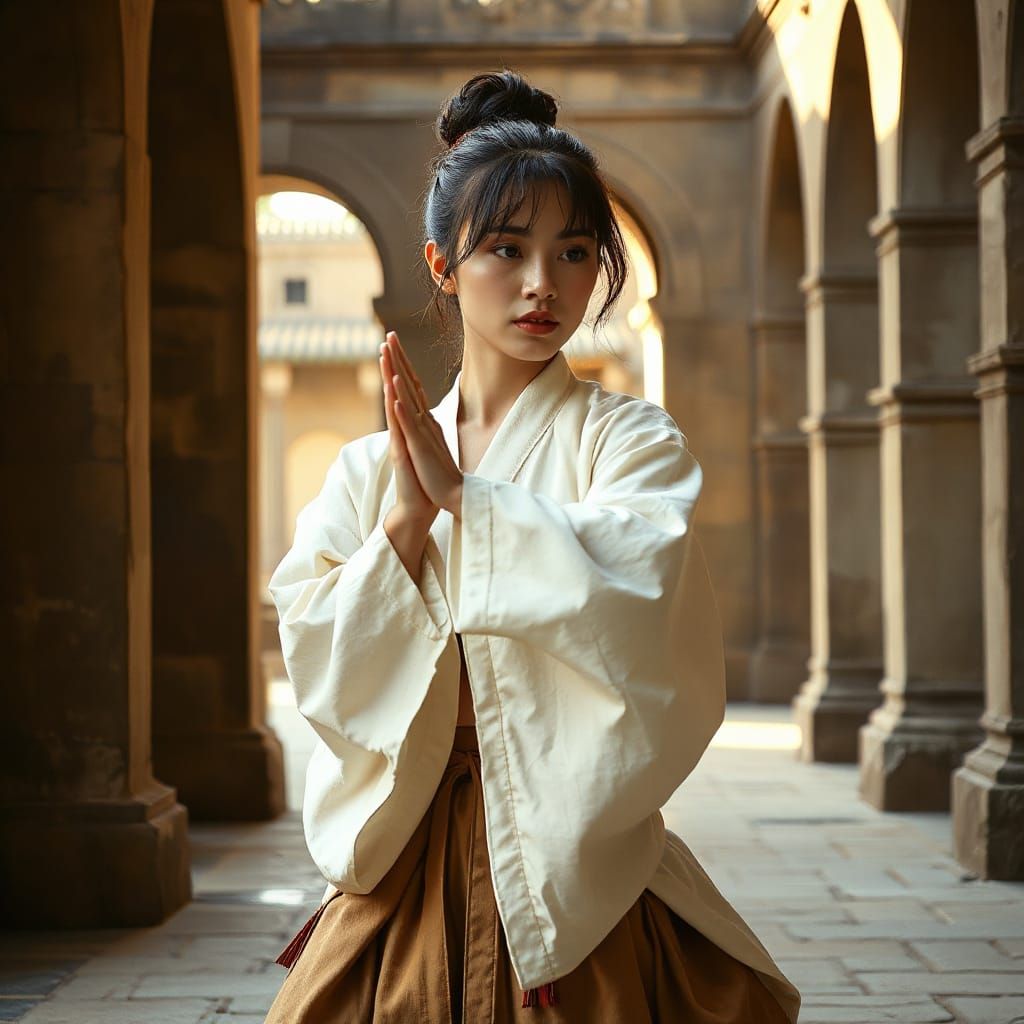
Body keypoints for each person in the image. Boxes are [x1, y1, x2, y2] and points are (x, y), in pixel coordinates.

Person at [263, 68, 801, 1023]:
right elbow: (313, 643)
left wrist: (469, 499)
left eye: (575, 252)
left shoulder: (629, 441)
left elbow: (646, 584)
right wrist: (407, 521)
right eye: (506, 250)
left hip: (572, 855)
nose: (542, 285)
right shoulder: (363, 470)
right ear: (440, 264)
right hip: (408, 845)